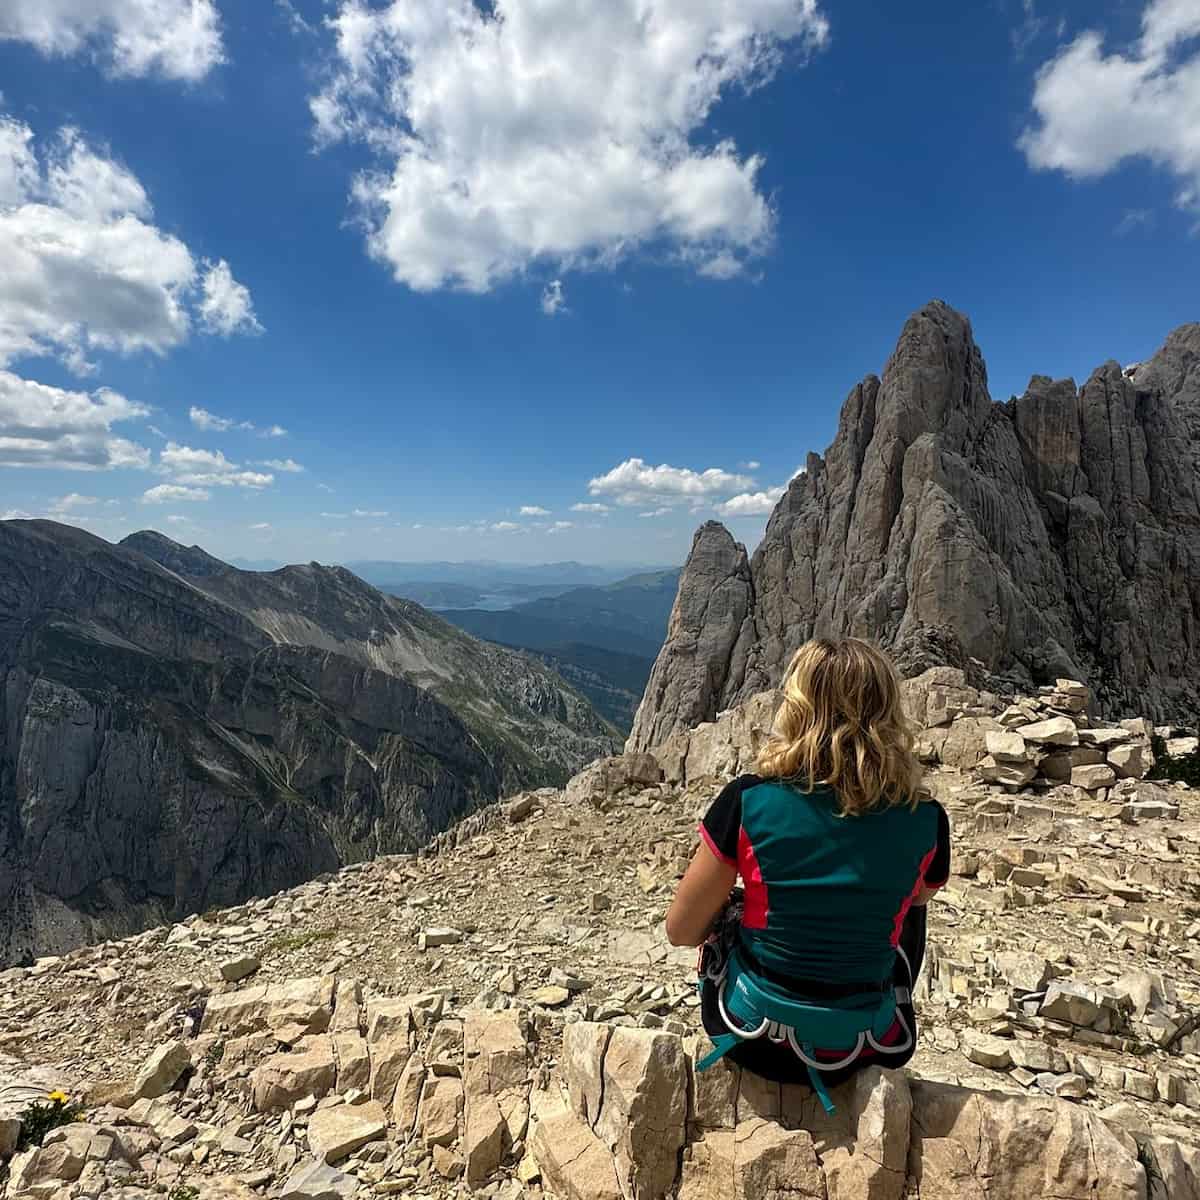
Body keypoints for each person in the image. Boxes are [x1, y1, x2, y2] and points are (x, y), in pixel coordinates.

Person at [665, 638, 949, 1109]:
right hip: (865, 1045)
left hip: (755, 1038)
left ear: (796, 708)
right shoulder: (927, 819)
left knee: (731, 904)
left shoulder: (748, 800)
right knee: (910, 906)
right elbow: (918, 900)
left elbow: (681, 931)